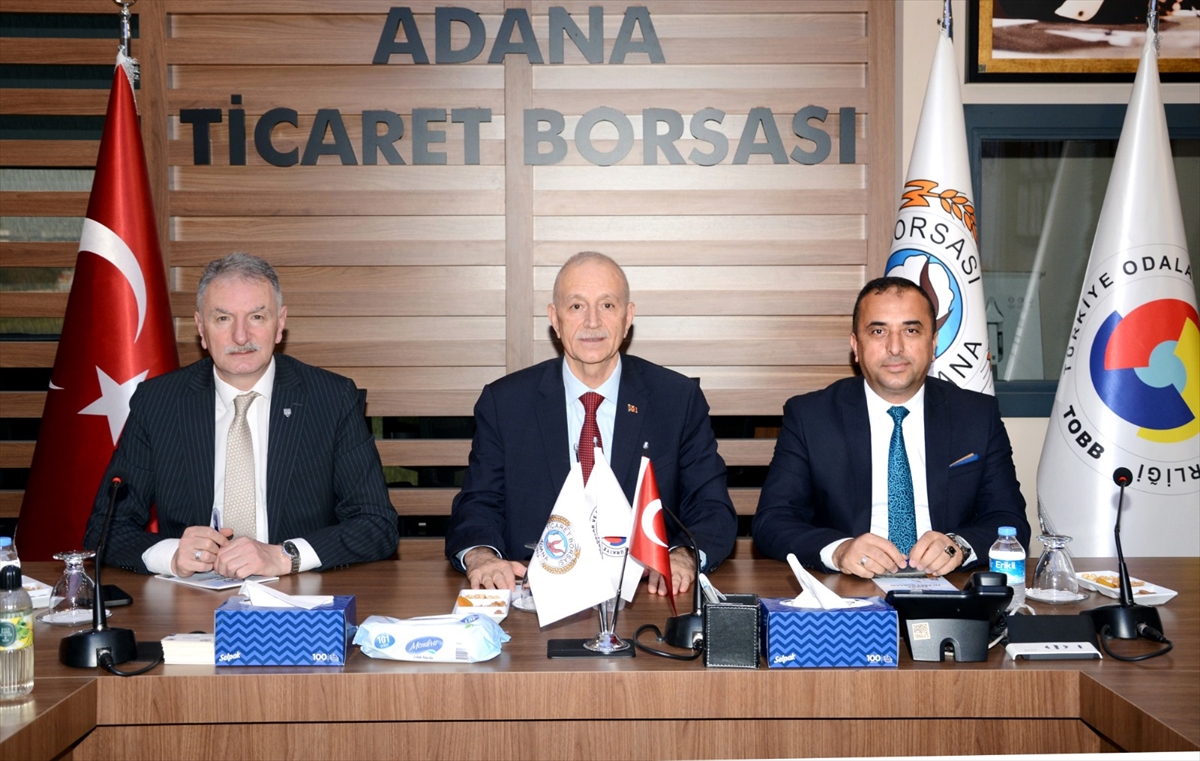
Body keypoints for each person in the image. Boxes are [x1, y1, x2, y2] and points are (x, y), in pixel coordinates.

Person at [83, 253, 399, 578]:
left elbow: (377, 524)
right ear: (201, 328)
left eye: (257, 317)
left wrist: (285, 556)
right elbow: (104, 530)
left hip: (297, 595)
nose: (240, 336)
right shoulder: (158, 403)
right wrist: (172, 556)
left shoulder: (331, 399)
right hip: (192, 596)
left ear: (280, 324)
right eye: (223, 319)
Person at [446, 252, 737, 595]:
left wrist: (683, 556)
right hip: (535, 593)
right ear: (555, 319)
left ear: (628, 318)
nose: (593, 322)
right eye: (576, 306)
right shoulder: (506, 403)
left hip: (644, 596)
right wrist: (482, 557)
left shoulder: (677, 400)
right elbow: (478, 503)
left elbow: (712, 507)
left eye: (607, 305)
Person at [752, 276, 1030, 578]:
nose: (895, 347)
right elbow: (772, 522)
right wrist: (840, 551)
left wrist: (958, 546)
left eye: (911, 330)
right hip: (848, 588)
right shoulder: (811, 417)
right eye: (878, 331)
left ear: (933, 343)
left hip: (950, 584)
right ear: (856, 346)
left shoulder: (977, 415)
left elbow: (1009, 520)